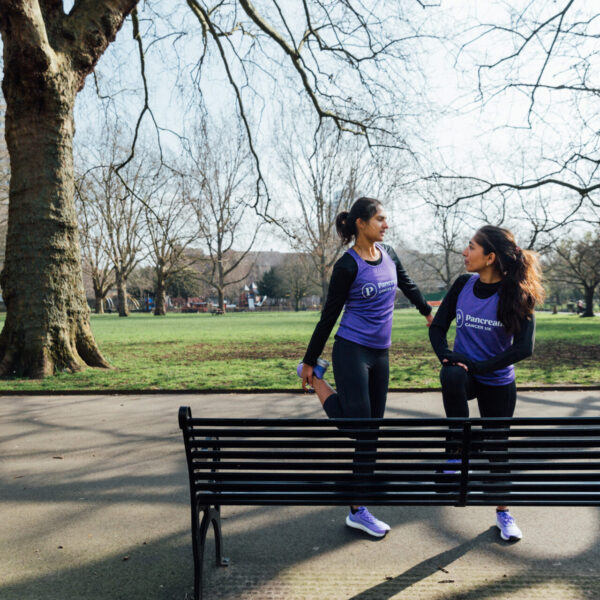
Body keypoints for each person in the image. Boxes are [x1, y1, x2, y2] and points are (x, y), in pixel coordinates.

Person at [297, 197, 433, 537]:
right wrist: (310, 361)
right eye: (380, 219)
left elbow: (407, 284)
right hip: (351, 350)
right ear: (361, 223)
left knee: (371, 434)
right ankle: (316, 382)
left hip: (380, 353)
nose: (386, 225)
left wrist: (427, 312)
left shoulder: (390, 255)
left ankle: (358, 509)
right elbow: (329, 315)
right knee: (356, 427)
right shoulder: (347, 265)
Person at [429, 225, 544, 543]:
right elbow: (438, 329)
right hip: (463, 376)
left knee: (498, 451)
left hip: (496, 379)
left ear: (490, 257)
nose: (464, 252)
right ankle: (455, 452)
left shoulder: (518, 292)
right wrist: (448, 357)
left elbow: (524, 348)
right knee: (451, 374)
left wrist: (481, 365)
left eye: (471, 247)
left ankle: (504, 513)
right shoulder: (463, 285)